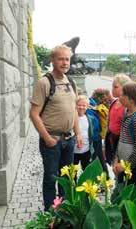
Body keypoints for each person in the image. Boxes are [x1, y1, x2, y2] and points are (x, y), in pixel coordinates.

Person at [30, 45, 83, 211]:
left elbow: (73, 109)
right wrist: (47, 138)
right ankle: (51, 215)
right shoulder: (44, 83)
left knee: (67, 179)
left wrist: (78, 133)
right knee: (51, 179)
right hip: (52, 141)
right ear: (53, 61)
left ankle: (65, 211)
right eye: (61, 59)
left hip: (69, 140)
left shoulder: (71, 82)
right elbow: (33, 114)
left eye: (67, 59)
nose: (65, 62)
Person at [113, 82, 136, 184]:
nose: (120, 96)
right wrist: (116, 160)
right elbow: (121, 139)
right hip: (122, 166)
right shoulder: (127, 113)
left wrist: (126, 165)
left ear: (131, 100)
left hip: (133, 170)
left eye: (123, 94)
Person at [105, 73, 132, 165]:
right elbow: (109, 122)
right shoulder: (114, 102)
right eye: (112, 86)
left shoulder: (128, 106)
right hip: (111, 139)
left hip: (122, 142)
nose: (112, 89)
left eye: (115, 87)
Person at [73, 95, 93, 171]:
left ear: (87, 106)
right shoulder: (72, 118)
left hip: (86, 150)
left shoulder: (89, 118)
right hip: (73, 151)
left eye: (84, 105)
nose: (81, 107)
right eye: (79, 105)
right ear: (75, 105)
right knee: (72, 172)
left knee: (86, 170)